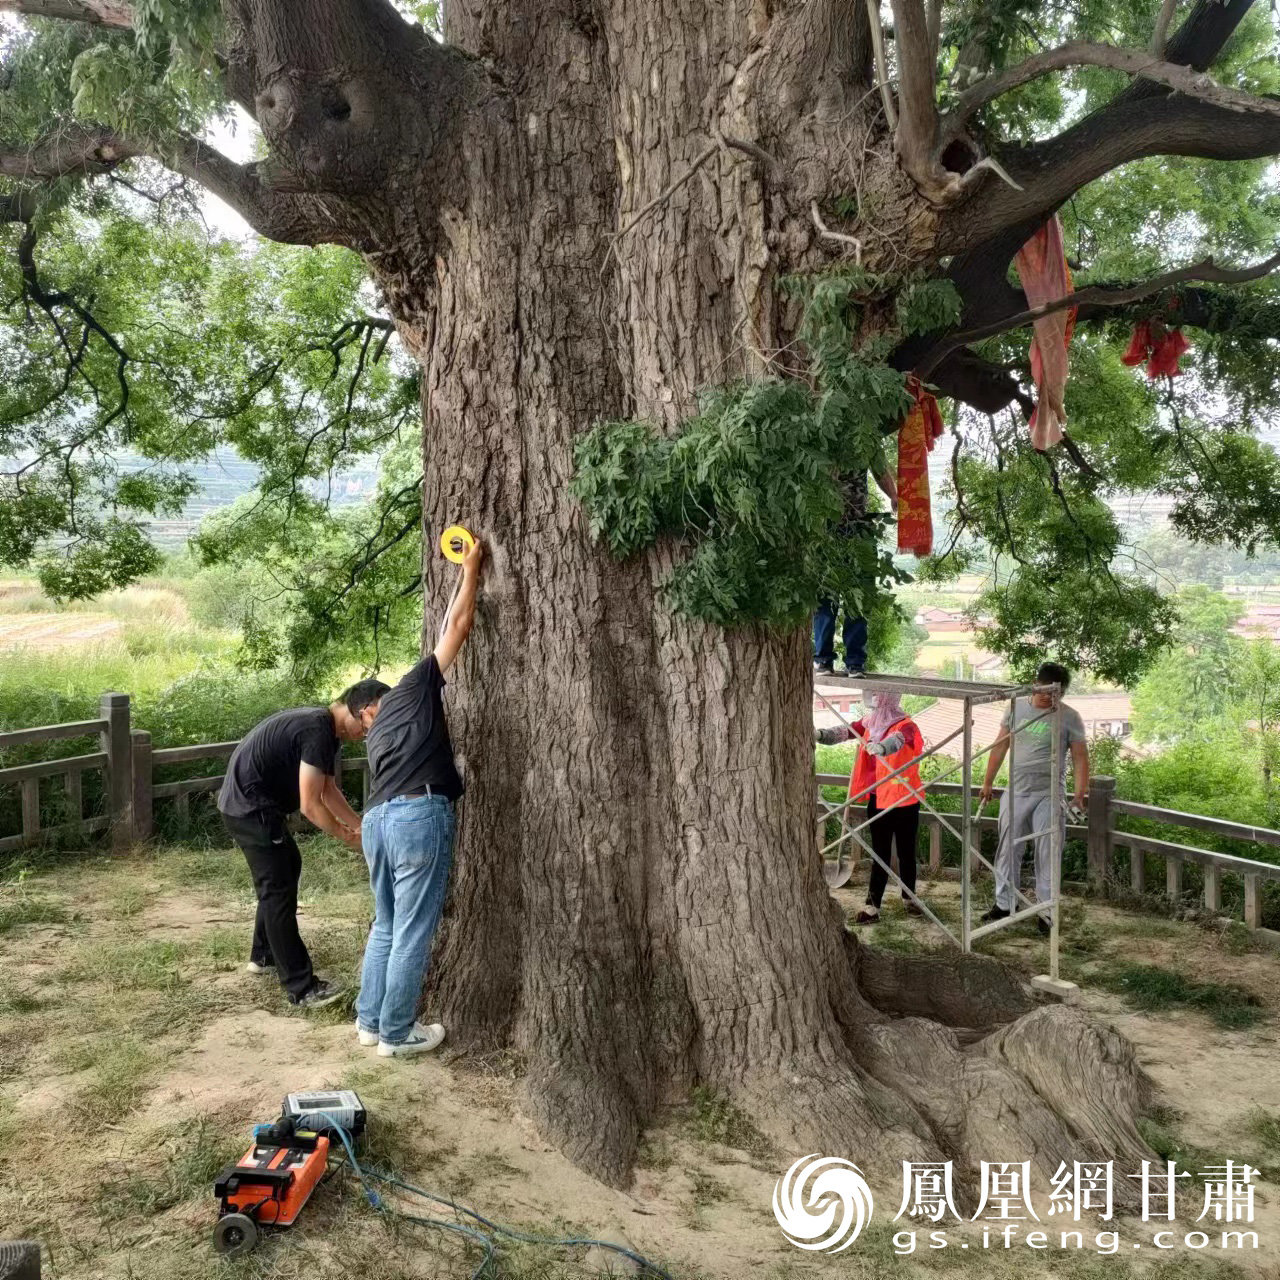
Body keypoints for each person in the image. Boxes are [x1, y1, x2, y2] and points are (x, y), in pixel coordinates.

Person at [353, 537, 484, 1058]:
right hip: (416, 815)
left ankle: (368, 1021)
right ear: (381, 699)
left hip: (377, 822)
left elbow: (445, 623)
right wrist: (470, 568)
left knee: (385, 924)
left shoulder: (375, 738)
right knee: (411, 927)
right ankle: (397, 1032)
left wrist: (462, 574)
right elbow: (454, 627)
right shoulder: (411, 688)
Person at [218, 679, 389, 1008]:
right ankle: (301, 987)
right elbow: (311, 806)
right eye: (368, 723)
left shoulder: (324, 729)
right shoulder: (317, 730)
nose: (366, 733)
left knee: (285, 870)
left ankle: (264, 954)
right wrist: (346, 837)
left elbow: (328, 790)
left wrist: (360, 826)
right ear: (357, 709)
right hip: (251, 809)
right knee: (278, 888)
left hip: (249, 806)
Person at [978, 661, 1089, 934]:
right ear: (1035, 684)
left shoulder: (1069, 717)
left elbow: (1079, 757)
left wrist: (1079, 795)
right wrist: (988, 781)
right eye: (1045, 692)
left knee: (1048, 851)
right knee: (1007, 848)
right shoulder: (1016, 707)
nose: (1049, 698)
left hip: (1049, 794)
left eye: (1056, 694)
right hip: (1016, 790)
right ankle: (1004, 904)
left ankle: (1047, 912)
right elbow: (1000, 744)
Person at [816, 688, 924, 924]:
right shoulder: (870, 723)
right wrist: (820, 734)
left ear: (888, 699)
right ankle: (872, 906)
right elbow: (845, 731)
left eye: (876, 697)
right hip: (878, 799)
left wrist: (882, 748)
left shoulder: (906, 725)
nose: (872, 702)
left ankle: (909, 898)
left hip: (905, 800)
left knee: (906, 853)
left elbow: (899, 740)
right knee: (880, 854)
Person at [813, 469, 898, 677]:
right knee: (825, 596)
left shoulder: (865, 439)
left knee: (859, 597)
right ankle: (823, 659)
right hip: (826, 528)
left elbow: (881, 469)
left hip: (859, 527)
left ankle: (855, 662)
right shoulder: (820, 440)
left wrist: (894, 495)